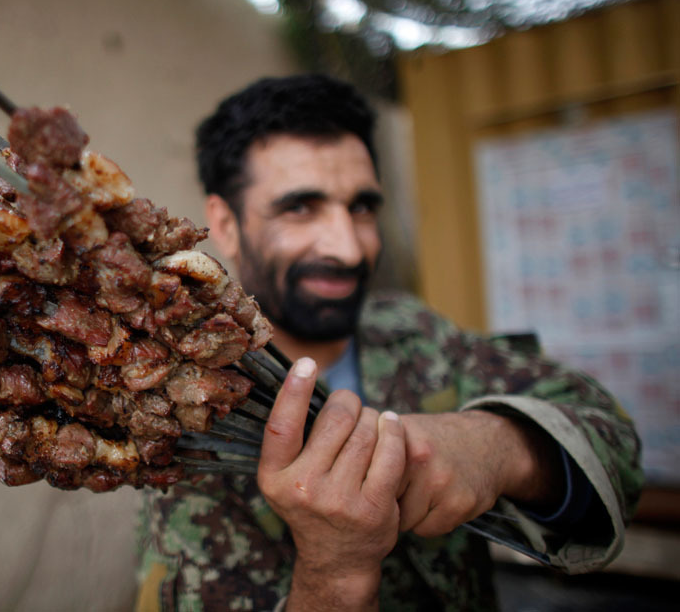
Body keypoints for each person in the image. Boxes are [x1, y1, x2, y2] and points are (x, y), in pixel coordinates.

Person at [135, 74, 643, 611]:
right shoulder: (191, 421)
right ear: (226, 224)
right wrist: (334, 574)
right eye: (301, 208)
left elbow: (616, 445)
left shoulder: (417, 334)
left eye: (361, 208)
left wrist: (498, 445)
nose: (349, 248)